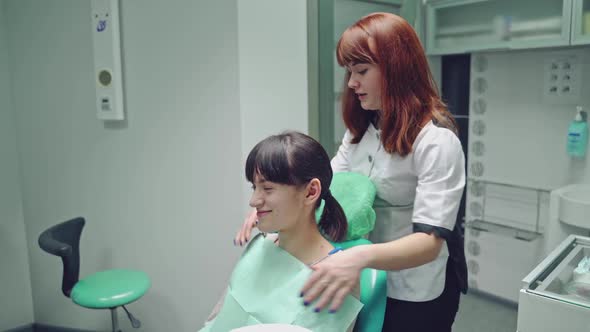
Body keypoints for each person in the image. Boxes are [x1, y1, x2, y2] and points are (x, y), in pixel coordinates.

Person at [234, 12, 467, 332]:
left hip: (416, 287)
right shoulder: (362, 131)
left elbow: (429, 243)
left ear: (396, 69)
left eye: (361, 70)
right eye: (349, 72)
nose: (352, 82)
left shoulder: (437, 142)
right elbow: (318, 189)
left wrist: (357, 259)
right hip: (368, 275)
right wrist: (270, 206)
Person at [201, 131, 363, 332]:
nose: (253, 201)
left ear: (311, 192)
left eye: (267, 189)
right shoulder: (260, 245)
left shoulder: (335, 276)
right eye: (254, 187)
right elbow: (216, 322)